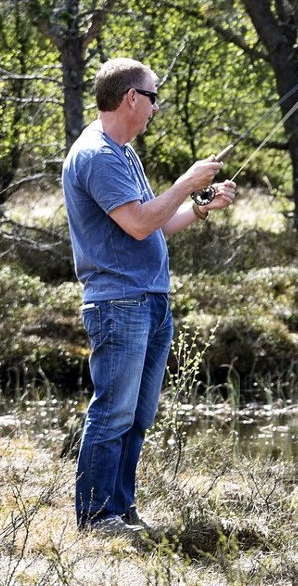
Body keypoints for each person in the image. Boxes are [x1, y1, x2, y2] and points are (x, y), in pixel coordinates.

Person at [63, 58, 237, 534]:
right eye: (153, 97)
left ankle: (121, 510)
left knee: (137, 416)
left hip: (150, 301)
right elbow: (140, 222)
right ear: (131, 98)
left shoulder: (123, 152)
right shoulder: (97, 154)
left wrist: (200, 209)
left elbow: (149, 226)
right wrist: (185, 183)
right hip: (120, 304)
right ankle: (97, 518)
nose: (157, 107)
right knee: (113, 412)